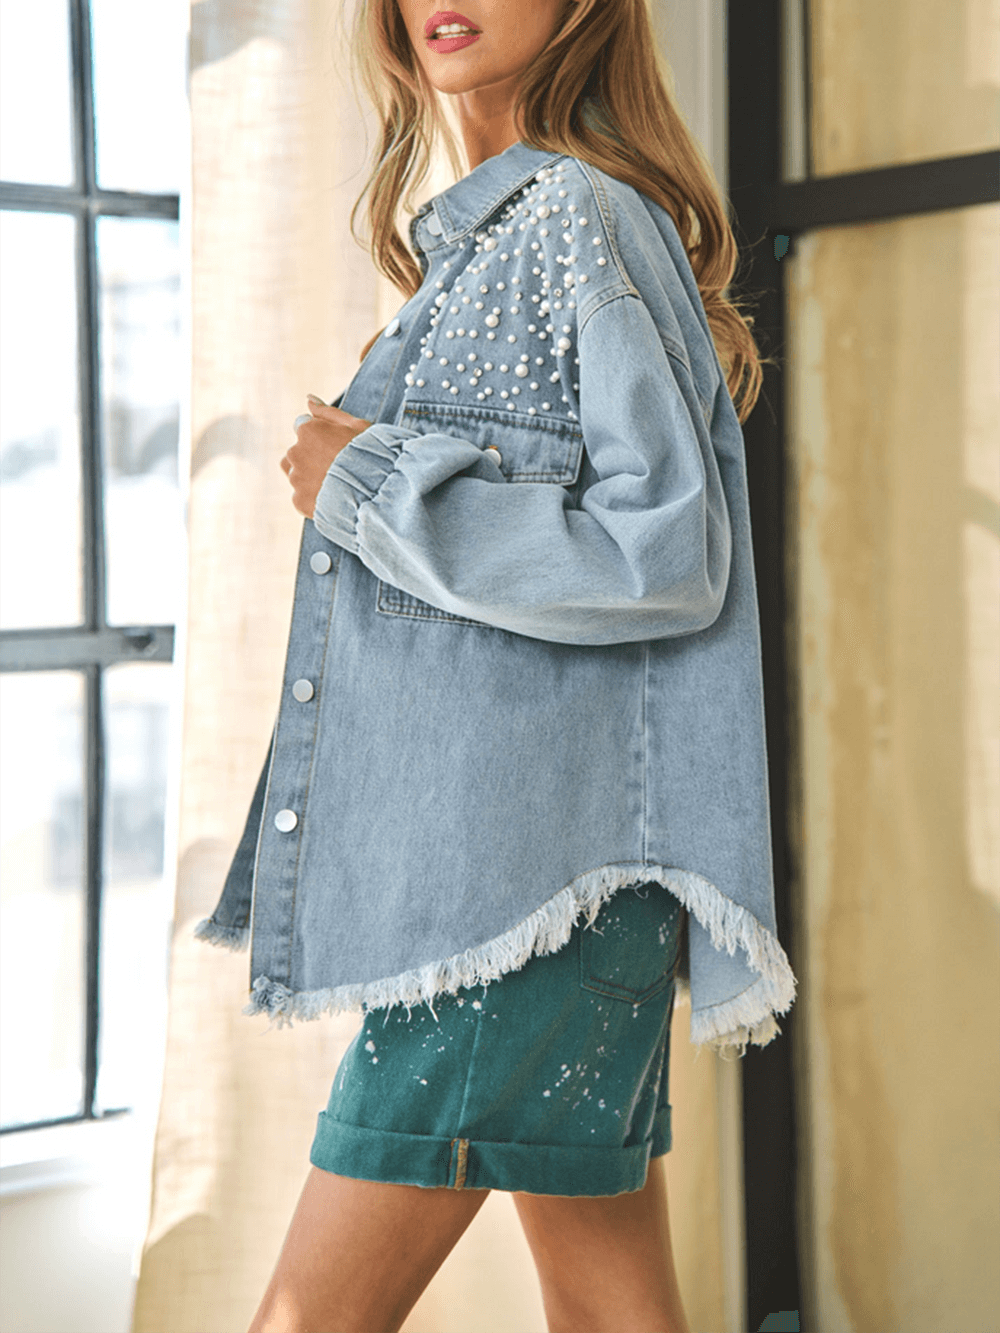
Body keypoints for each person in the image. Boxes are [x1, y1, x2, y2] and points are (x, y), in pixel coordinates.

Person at [196, 0, 798, 1329]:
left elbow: (663, 554)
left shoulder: (578, 218)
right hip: (555, 902)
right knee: (610, 1303)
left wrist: (369, 483)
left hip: (519, 915)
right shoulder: (499, 238)